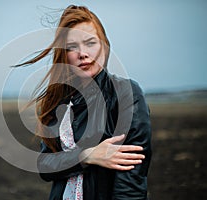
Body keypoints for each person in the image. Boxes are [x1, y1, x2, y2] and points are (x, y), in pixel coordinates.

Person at [16, 5, 152, 200]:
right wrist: (87, 156)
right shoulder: (56, 100)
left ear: (104, 45)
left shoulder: (126, 94)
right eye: (72, 47)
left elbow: (130, 185)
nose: (82, 53)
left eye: (90, 43)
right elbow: (45, 165)